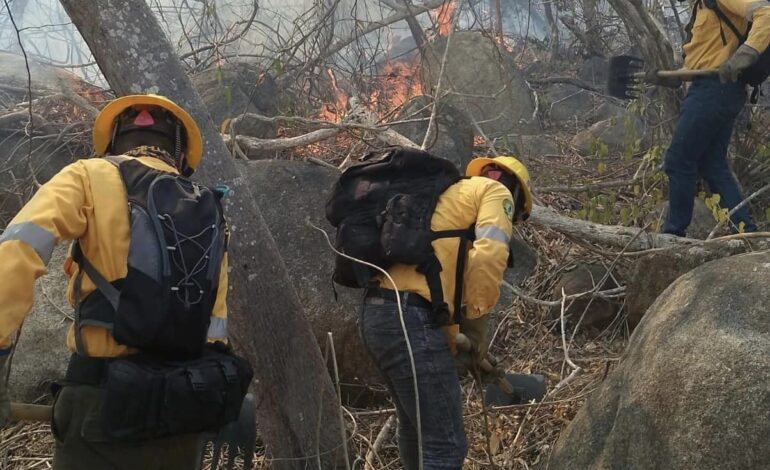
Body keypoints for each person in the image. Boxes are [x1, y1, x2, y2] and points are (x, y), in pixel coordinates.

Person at [0, 94, 233, 469]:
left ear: (112, 140)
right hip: (183, 410)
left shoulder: (89, 174)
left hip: (100, 404)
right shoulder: (208, 205)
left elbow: (17, 250)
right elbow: (215, 326)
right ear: (179, 150)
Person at [358, 155, 532, 470]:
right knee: (446, 445)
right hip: (409, 319)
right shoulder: (497, 193)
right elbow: (488, 257)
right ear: (517, 195)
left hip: (377, 314)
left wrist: (454, 336)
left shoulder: (447, 197)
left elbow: (436, 278)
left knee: (417, 430)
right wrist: (477, 325)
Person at [650, 0, 769, 236]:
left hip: (715, 90)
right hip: (712, 88)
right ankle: (746, 233)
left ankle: (674, 236)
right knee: (712, 165)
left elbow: (767, 13)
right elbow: (706, 56)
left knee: (678, 160)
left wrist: (745, 55)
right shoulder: (702, 5)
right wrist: (673, 77)